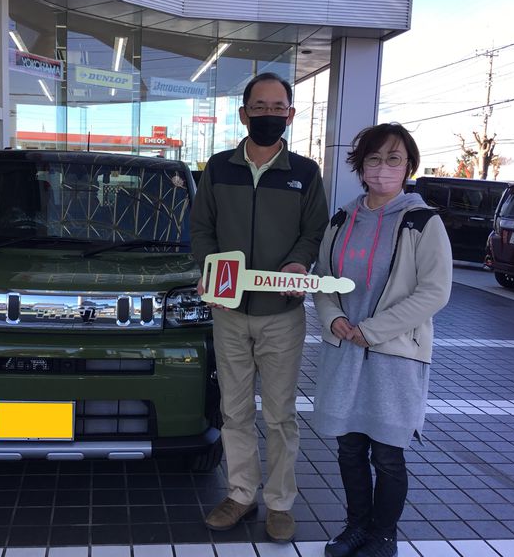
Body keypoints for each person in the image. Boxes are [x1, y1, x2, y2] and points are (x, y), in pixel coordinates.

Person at [190, 72, 329, 543]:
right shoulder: (218, 167)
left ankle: (280, 502)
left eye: (277, 107)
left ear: (290, 114)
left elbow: (314, 231)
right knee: (234, 411)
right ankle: (241, 493)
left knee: (280, 414)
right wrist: (211, 270)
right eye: (260, 106)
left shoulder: (305, 173)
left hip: (282, 315)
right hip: (228, 312)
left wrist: (299, 260)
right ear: (244, 112)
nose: (268, 114)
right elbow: (201, 229)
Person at [312, 123, 452, 557]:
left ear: (409, 166)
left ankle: (383, 534)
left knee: (388, 455)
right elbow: (322, 278)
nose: (383, 167)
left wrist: (372, 330)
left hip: (395, 355)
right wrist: (334, 318)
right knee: (349, 448)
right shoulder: (342, 219)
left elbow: (435, 291)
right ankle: (355, 527)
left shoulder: (422, 222)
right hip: (345, 351)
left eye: (394, 159)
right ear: (360, 167)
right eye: (373, 159)